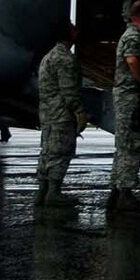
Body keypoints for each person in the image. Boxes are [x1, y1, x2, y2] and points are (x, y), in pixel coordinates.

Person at [108, 0, 140, 212]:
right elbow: (132, 60)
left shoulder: (133, 35)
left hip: (129, 98)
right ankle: (125, 193)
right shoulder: (134, 37)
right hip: (134, 99)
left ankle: (116, 192)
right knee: (133, 145)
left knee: (123, 145)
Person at [35, 21, 87, 209]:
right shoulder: (65, 58)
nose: (77, 31)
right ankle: (54, 193)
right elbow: (69, 90)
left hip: (47, 113)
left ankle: (42, 190)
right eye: (74, 29)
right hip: (61, 114)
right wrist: (79, 111)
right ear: (68, 34)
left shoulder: (47, 57)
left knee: (47, 151)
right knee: (60, 152)